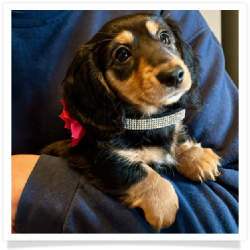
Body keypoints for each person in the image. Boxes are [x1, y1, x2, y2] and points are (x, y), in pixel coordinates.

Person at [12, 10, 238, 233]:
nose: (169, 67)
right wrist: (146, 186)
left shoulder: (176, 13)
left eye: (164, 38)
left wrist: (185, 151)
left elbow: (237, 197)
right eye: (122, 55)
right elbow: (99, 158)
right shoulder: (109, 141)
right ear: (97, 80)